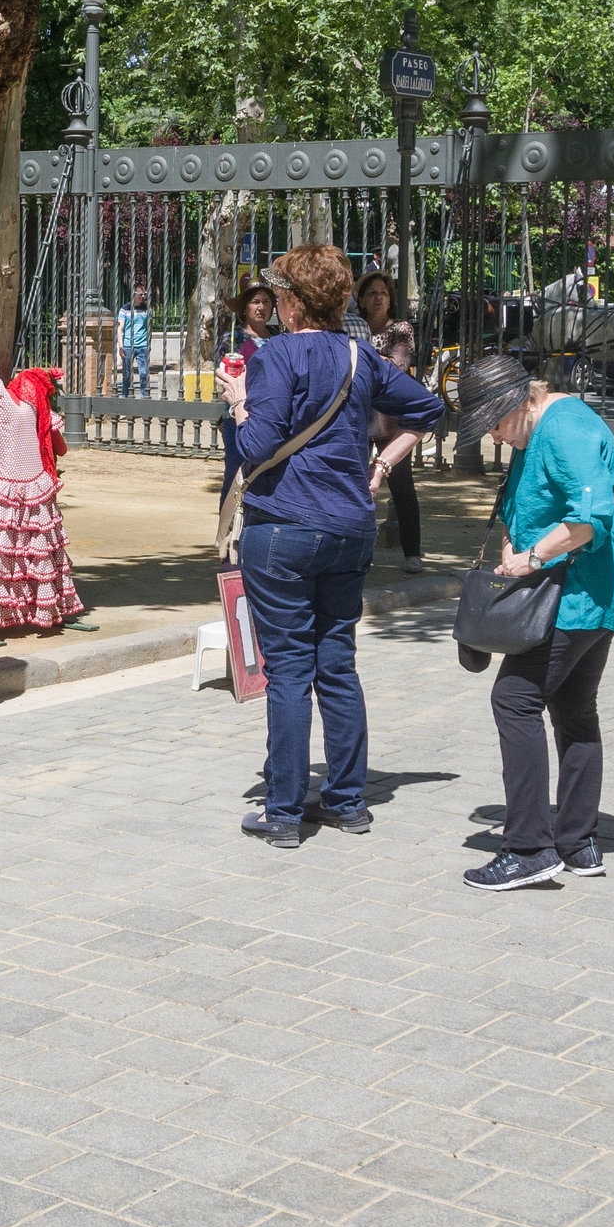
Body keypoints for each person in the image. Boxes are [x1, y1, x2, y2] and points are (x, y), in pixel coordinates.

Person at [216, 244, 444, 848]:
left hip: (283, 528)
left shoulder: (278, 355)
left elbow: (257, 446)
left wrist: (238, 402)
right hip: (348, 526)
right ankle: (346, 803)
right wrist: (384, 463)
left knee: (289, 669)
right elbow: (429, 407)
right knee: (336, 663)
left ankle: (284, 811)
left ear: (290, 303)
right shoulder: (358, 355)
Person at [451, 355, 614, 891]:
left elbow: (587, 520)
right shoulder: (544, 424)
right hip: (583, 597)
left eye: (493, 423)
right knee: (573, 707)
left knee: (514, 700)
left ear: (518, 403)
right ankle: (577, 841)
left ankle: (528, 848)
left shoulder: (565, 429)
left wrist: (532, 557)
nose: (493, 436)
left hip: (572, 598)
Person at [0, 365, 86, 632]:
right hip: (27, 478)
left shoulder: (12, 394)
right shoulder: (32, 399)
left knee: (10, 550)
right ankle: (35, 608)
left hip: (17, 478)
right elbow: (60, 448)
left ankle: (12, 609)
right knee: (35, 549)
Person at [359, 272, 426, 574]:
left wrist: (360, 360)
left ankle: (412, 552)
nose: (378, 297)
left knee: (401, 483)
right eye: (371, 292)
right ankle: (358, 549)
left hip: (391, 415)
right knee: (356, 481)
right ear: (360, 299)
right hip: (359, 413)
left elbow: (397, 365)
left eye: (383, 292)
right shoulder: (353, 326)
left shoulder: (401, 329)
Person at [216, 277, 277, 512]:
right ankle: (226, 530)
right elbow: (221, 376)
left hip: (270, 416)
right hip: (237, 415)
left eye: (266, 302)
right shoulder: (233, 339)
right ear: (244, 308)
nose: (261, 307)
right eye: (255, 302)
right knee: (235, 473)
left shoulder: (279, 338)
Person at [119, 281, 151, 396]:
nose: (143, 296)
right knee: (126, 375)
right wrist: (121, 346)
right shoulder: (125, 309)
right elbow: (120, 328)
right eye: (140, 294)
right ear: (134, 294)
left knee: (143, 374)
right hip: (128, 345)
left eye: (145, 294)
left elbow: (149, 327)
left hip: (142, 345)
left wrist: (149, 344)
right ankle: (124, 397)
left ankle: (144, 397)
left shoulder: (146, 309)